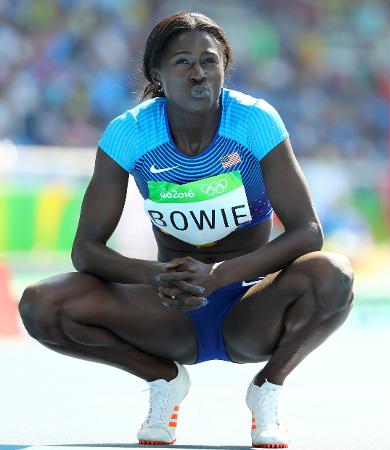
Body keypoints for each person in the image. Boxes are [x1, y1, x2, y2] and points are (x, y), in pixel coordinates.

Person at [18, 12, 354, 448]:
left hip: (250, 306)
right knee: (42, 305)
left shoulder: (255, 122)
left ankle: (267, 389)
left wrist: (221, 276)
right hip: (170, 308)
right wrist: (156, 276)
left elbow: (307, 232)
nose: (198, 73)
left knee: (334, 274)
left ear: (223, 67)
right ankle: (163, 379)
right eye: (182, 62)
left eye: (209, 61)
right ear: (156, 73)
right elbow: (86, 251)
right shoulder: (130, 134)